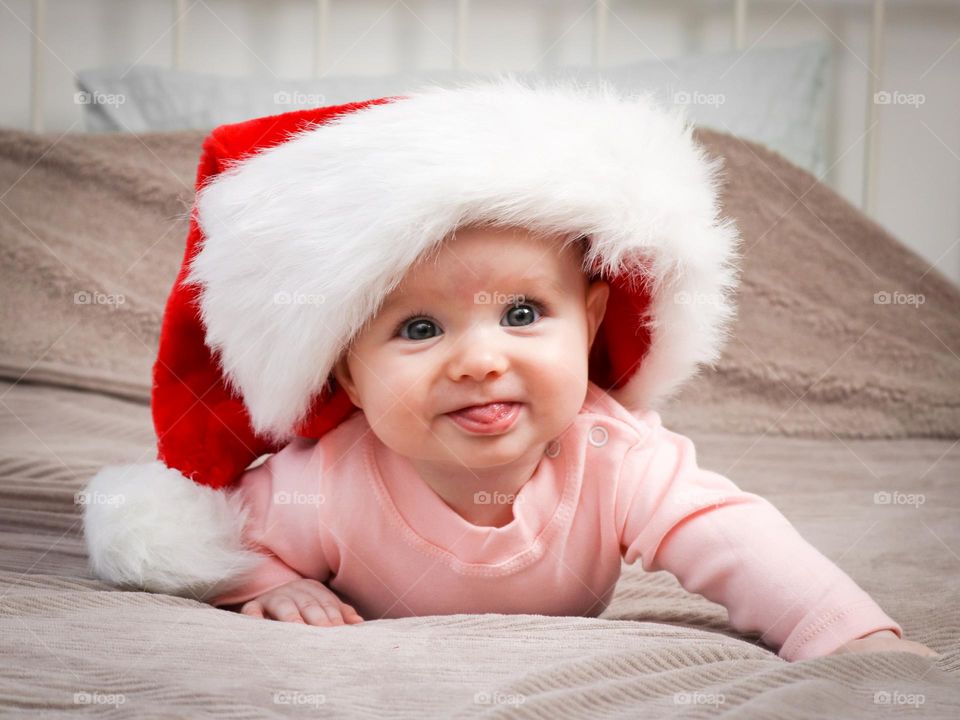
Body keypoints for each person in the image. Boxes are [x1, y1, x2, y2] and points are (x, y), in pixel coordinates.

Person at [81, 78, 937, 662]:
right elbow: (230, 530)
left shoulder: (618, 456)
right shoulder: (326, 485)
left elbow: (737, 541)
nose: (481, 360)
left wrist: (847, 636)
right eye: (419, 327)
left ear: (592, 319)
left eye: (524, 314)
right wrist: (270, 583)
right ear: (344, 374)